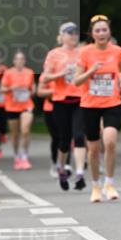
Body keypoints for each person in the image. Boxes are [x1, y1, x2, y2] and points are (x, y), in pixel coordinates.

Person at [74, 14, 121, 202]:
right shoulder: (85, 52)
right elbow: (76, 80)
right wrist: (91, 71)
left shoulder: (117, 51)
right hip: (90, 104)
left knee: (110, 141)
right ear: (92, 34)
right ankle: (96, 186)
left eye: (104, 29)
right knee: (93, 149)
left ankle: (110, 183)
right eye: (97, 30)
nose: (101, 33)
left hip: (112, 102)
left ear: (109, 32)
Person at [41, 21, 87, 191]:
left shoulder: (83, 52)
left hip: (80, 100)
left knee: (79, 135)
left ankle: (80, 173)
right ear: (61, 36)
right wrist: (62, 73)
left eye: (75, 32)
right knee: (64, 139)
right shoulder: (54, 54)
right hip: (60, 100)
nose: (73, 35)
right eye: (69, 32)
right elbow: (45, 78)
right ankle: (61, 168)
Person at [1, 50, 35, 169]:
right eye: (17, 59)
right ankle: (17, 156)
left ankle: (24, 156)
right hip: (12, 106)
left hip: (26, 105)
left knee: (25, 130)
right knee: (15, 134)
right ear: (14, 61)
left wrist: (31, 91)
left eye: (22, 59)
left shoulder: (29, 72)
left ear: (24, 61)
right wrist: (12, 88)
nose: (20, 61)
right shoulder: (8, 73)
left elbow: (32, 88)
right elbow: (2, 89)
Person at [36, 72, 59, 176]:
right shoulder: (46, 75)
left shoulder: (69, 71)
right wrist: (55, 91)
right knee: (55, 137)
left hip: (67, 108)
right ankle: (54, 163)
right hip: (50, 109)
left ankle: (65, 165)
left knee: (67, 136)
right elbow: (40, 92)